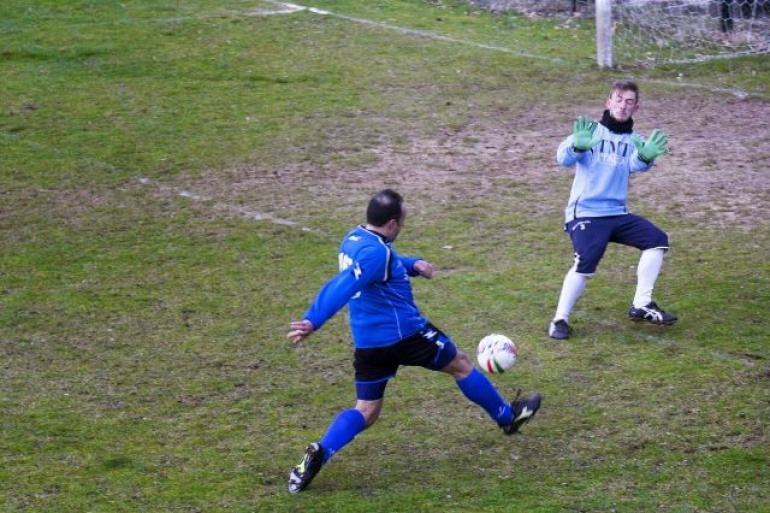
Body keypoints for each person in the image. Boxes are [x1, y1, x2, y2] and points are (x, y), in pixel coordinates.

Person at [286, 188, 542, 494]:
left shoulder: (354, 239)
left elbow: (376, 265)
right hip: (406, 334)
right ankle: (507, 418)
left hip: (368, 343)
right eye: (403, 219)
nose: (404, 223)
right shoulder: (378, 253)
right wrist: (313, 320)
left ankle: (319, 452)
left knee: (366, 410)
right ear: (392, 223)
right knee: (460, 363)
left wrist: (411, 264)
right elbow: (343, 285)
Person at [548, 79, 678, 341]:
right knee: (585, 263)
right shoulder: (590, 132)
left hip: (617, 213)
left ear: (636, 107)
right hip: (585, 213)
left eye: (629, 101)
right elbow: (562, 158)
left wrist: (646, 157)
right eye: (619, 99)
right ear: (609, 103)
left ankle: (641, 304)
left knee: (657, 241)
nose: (623, 105)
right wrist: (577, 146)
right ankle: (559, 320)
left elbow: (636, 165)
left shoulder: (634, 140)